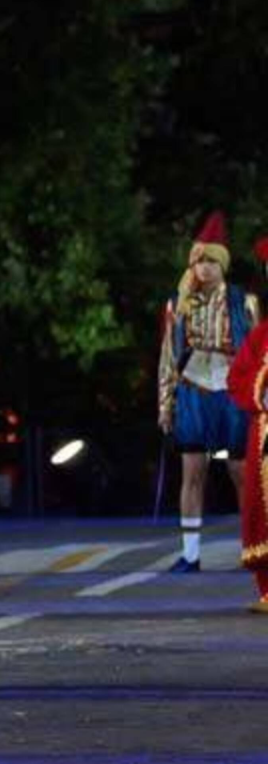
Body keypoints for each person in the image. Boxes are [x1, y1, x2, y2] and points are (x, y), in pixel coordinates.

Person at [160, 212, 254, 572]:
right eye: (199, 260)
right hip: (194, 391)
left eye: (211, 260)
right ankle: (190, 554)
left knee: (241, 472)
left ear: (223, 264)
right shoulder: (179, 304)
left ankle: (255, 547)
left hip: (231, 392)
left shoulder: (241, 302)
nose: (204, 268)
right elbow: (168, 356)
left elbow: (260, 349)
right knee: (192, 472)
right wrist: (165, 403)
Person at [226, 236, 268, 613]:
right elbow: (239, 378)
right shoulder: (261, 335)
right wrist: (262, 396)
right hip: (266, 434)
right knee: (262, 507)